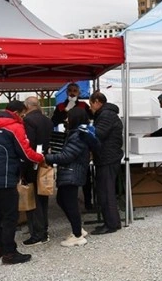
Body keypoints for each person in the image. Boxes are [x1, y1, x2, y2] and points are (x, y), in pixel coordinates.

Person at [0, 100, 44, 265]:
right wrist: (42, 158)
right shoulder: (14, 127)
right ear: (17, 113)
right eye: (22, 115)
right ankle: (9, 253)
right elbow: (26, 153)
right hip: (5, 178)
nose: (23, 118)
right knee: (10, 216)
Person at [45, 108, 98, 246]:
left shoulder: (78, 135)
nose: (66, 120)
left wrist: (46, 158)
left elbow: (67, 156)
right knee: (62, 200)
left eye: (68, 117)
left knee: (70, 203)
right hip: (71, 172)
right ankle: (78, 229)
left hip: (72, 172)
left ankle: (78, 235)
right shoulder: (77, 133)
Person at [51, 82, 94, 212]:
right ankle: (69, 201)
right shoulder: (60, 106)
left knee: (85, 172)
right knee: (67, 171)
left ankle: (88, 202)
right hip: (67, 138)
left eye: (75, 90)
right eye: (70, 90)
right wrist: (64, 113)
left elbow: (90, 120)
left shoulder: (84, 105)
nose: (72, 93)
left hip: (81, 137)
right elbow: (54, 121)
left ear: (79, 93)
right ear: (66, 92)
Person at [88, 91, 124, 233]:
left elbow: (99, 134)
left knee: (106, 192)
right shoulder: (106, 114)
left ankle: (111, 224)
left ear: (97, 101)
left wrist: (87, 132)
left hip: (108, 158)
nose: (91, 107)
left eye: (91, 104)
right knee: (105, 190)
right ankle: (112, 222)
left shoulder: (106, 115)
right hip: (107, 156)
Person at [22, 96, 53, 246]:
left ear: (27, 106)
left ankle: (37, 233)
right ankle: (43, 229)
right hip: (45, 159)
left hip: (33, 161)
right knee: (43, 197)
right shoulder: (47, 120)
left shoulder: (28, 121)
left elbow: (29, 143)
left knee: (32, 198)